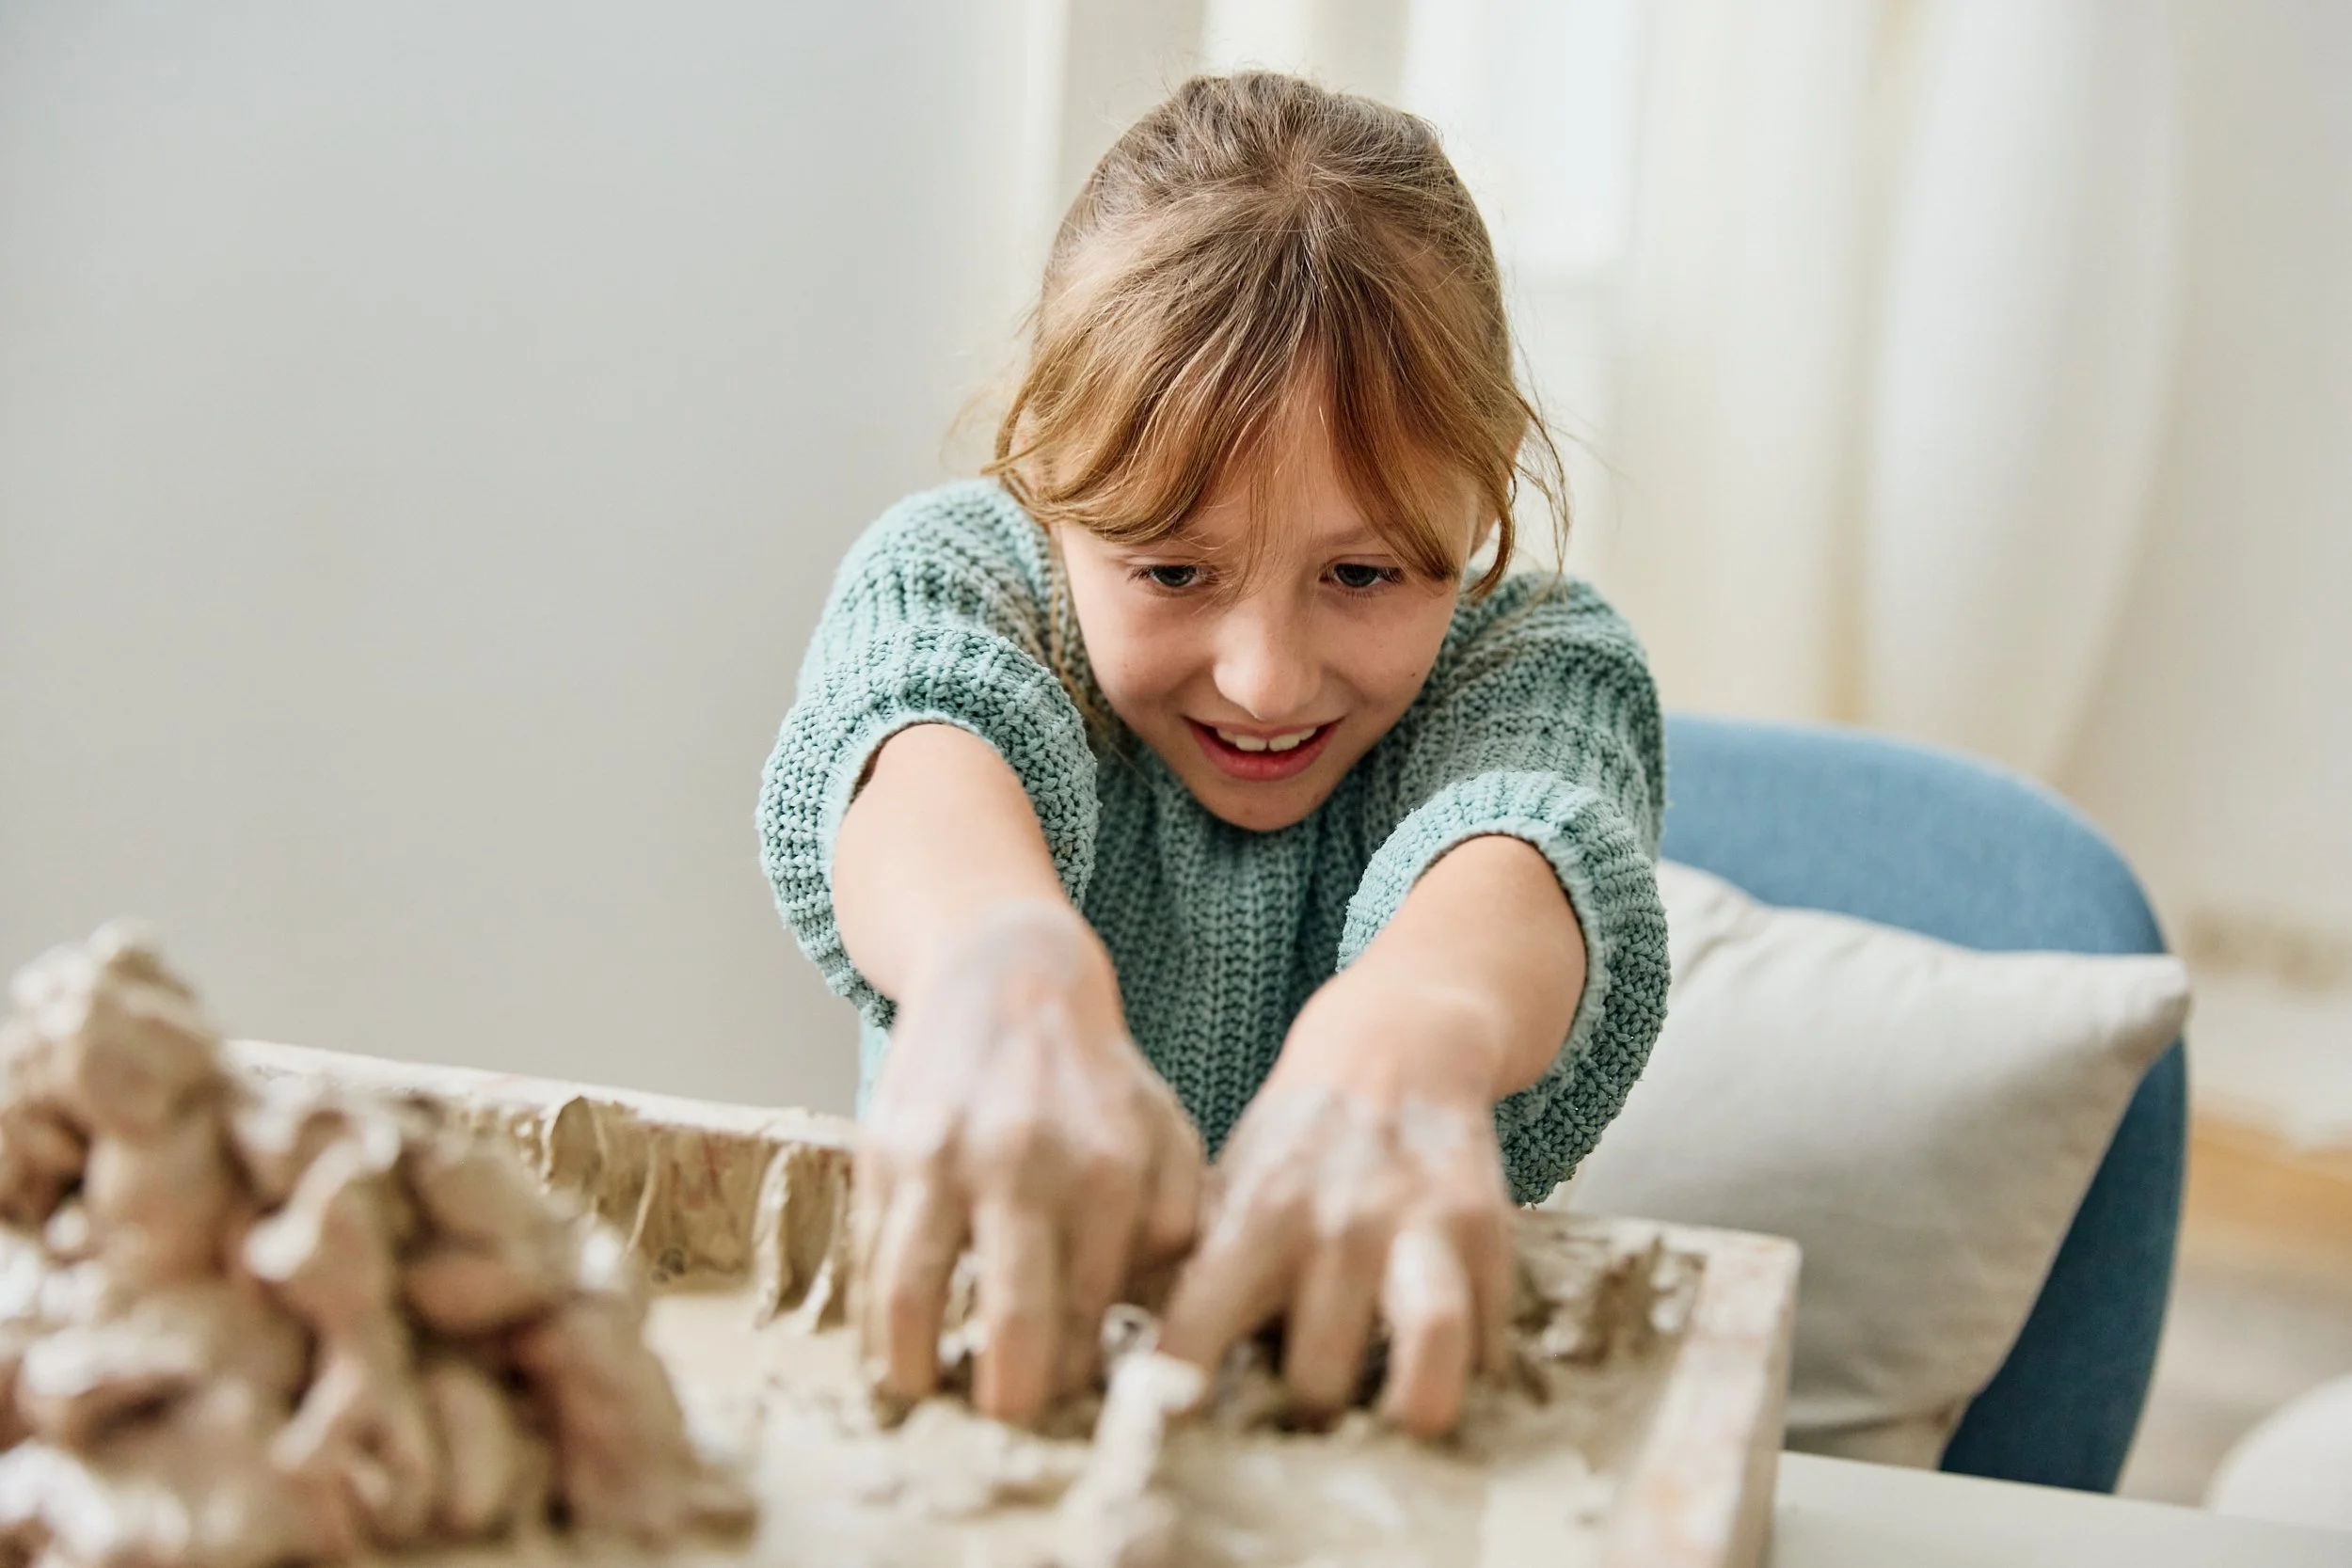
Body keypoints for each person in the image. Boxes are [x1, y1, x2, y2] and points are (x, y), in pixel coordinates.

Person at [756, 71, 1667, 1439]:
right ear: (1048, 480)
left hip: (1362, 1420)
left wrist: (1415, 1021)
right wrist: (995, 950)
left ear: (1478, 505)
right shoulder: (966, 578)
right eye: (1174, 568)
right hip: (977, 1398)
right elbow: (917, 733)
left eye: (1360, 574)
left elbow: (1530, 843)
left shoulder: (1532, 658)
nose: (1264, 678)